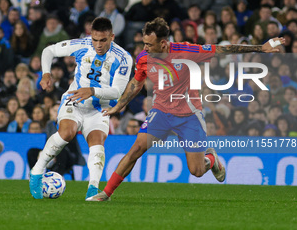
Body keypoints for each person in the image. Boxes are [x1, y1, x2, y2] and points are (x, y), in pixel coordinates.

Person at [87, 17, 284, 201]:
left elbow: (225, 49)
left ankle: (210, 159)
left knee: (197, 171)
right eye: (144, 44)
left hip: (189, 116)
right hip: (161, 113)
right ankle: (106, 193)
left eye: (149, 44)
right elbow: (136, 83)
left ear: (163, 43)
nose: (144, 48)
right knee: (135, 149)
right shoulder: (144, 58)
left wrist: (261, 48)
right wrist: (119, 105)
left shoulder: (188, 51)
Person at [29, 17, 133, 200]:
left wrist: (92, 91)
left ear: (112, 37)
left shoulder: (123, 58)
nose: (98, 45)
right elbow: (48, 50)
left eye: (103, 40)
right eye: (95, 39)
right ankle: (37, 172)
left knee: (97, 143)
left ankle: (93, 189)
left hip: (99, 107)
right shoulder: (82, 44)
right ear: (90, 36)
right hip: (75, 100)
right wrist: (46, 73)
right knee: (67, 133)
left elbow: (117, 92)